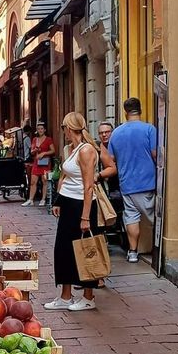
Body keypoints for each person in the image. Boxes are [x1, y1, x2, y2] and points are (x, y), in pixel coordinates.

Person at [45, 112, 101, 311]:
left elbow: (88, 186)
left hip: (81, 205)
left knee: (86, 250)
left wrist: (85, 217)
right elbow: (66, 177)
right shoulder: (71, 148)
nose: (63, 132)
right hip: (69, 204)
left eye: (63, 127)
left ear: (69, 128)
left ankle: (88, 296)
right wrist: (59, 200)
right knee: (63, 250)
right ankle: (65, 295)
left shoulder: (86, 150)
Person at [108, 97, 157, 263]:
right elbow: (155, 154)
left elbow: (111, 158)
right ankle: (156, 249)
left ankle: (133, 252)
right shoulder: (149, 129)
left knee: (131, 217)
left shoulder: (116, 133)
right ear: (140, 109)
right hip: (148, 181)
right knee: (153, 216)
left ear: (125, 111)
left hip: (127, 182)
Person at [22, 122, 55, 207]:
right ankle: (30, 199)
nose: (40, 130)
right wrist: (35, 151)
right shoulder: (34, 139)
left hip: (45, 162)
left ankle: (43, 199)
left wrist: (44, 153)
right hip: (36, 162)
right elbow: (31, 151)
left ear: (44, 130)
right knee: (33, 181)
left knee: (44, 181)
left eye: (41, 129)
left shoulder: (48, 139)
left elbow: (53, 150)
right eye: (38, 129)